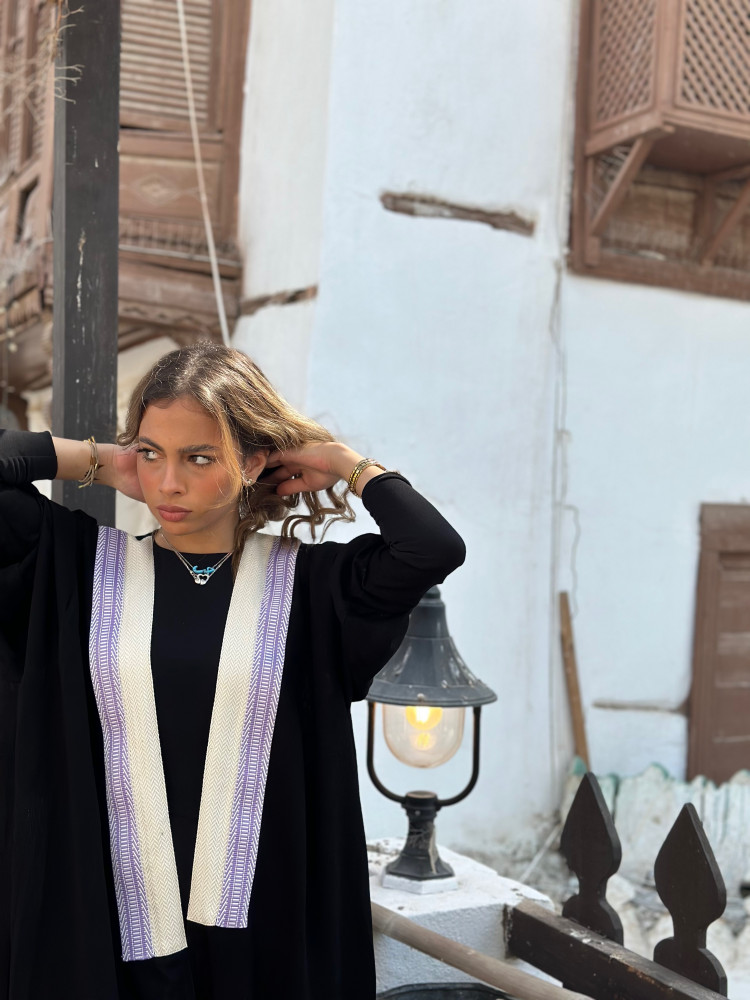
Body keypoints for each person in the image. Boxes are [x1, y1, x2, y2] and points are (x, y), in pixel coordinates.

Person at [0, 342, 466, 1000]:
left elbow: (433, 547)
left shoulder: (313, 589)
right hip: (106, 927)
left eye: (199, 458)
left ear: (251, 462)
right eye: (153, 454)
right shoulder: (78, 568)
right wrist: (101, 461)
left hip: (268, 933)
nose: (168, 484)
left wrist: (344, 462)